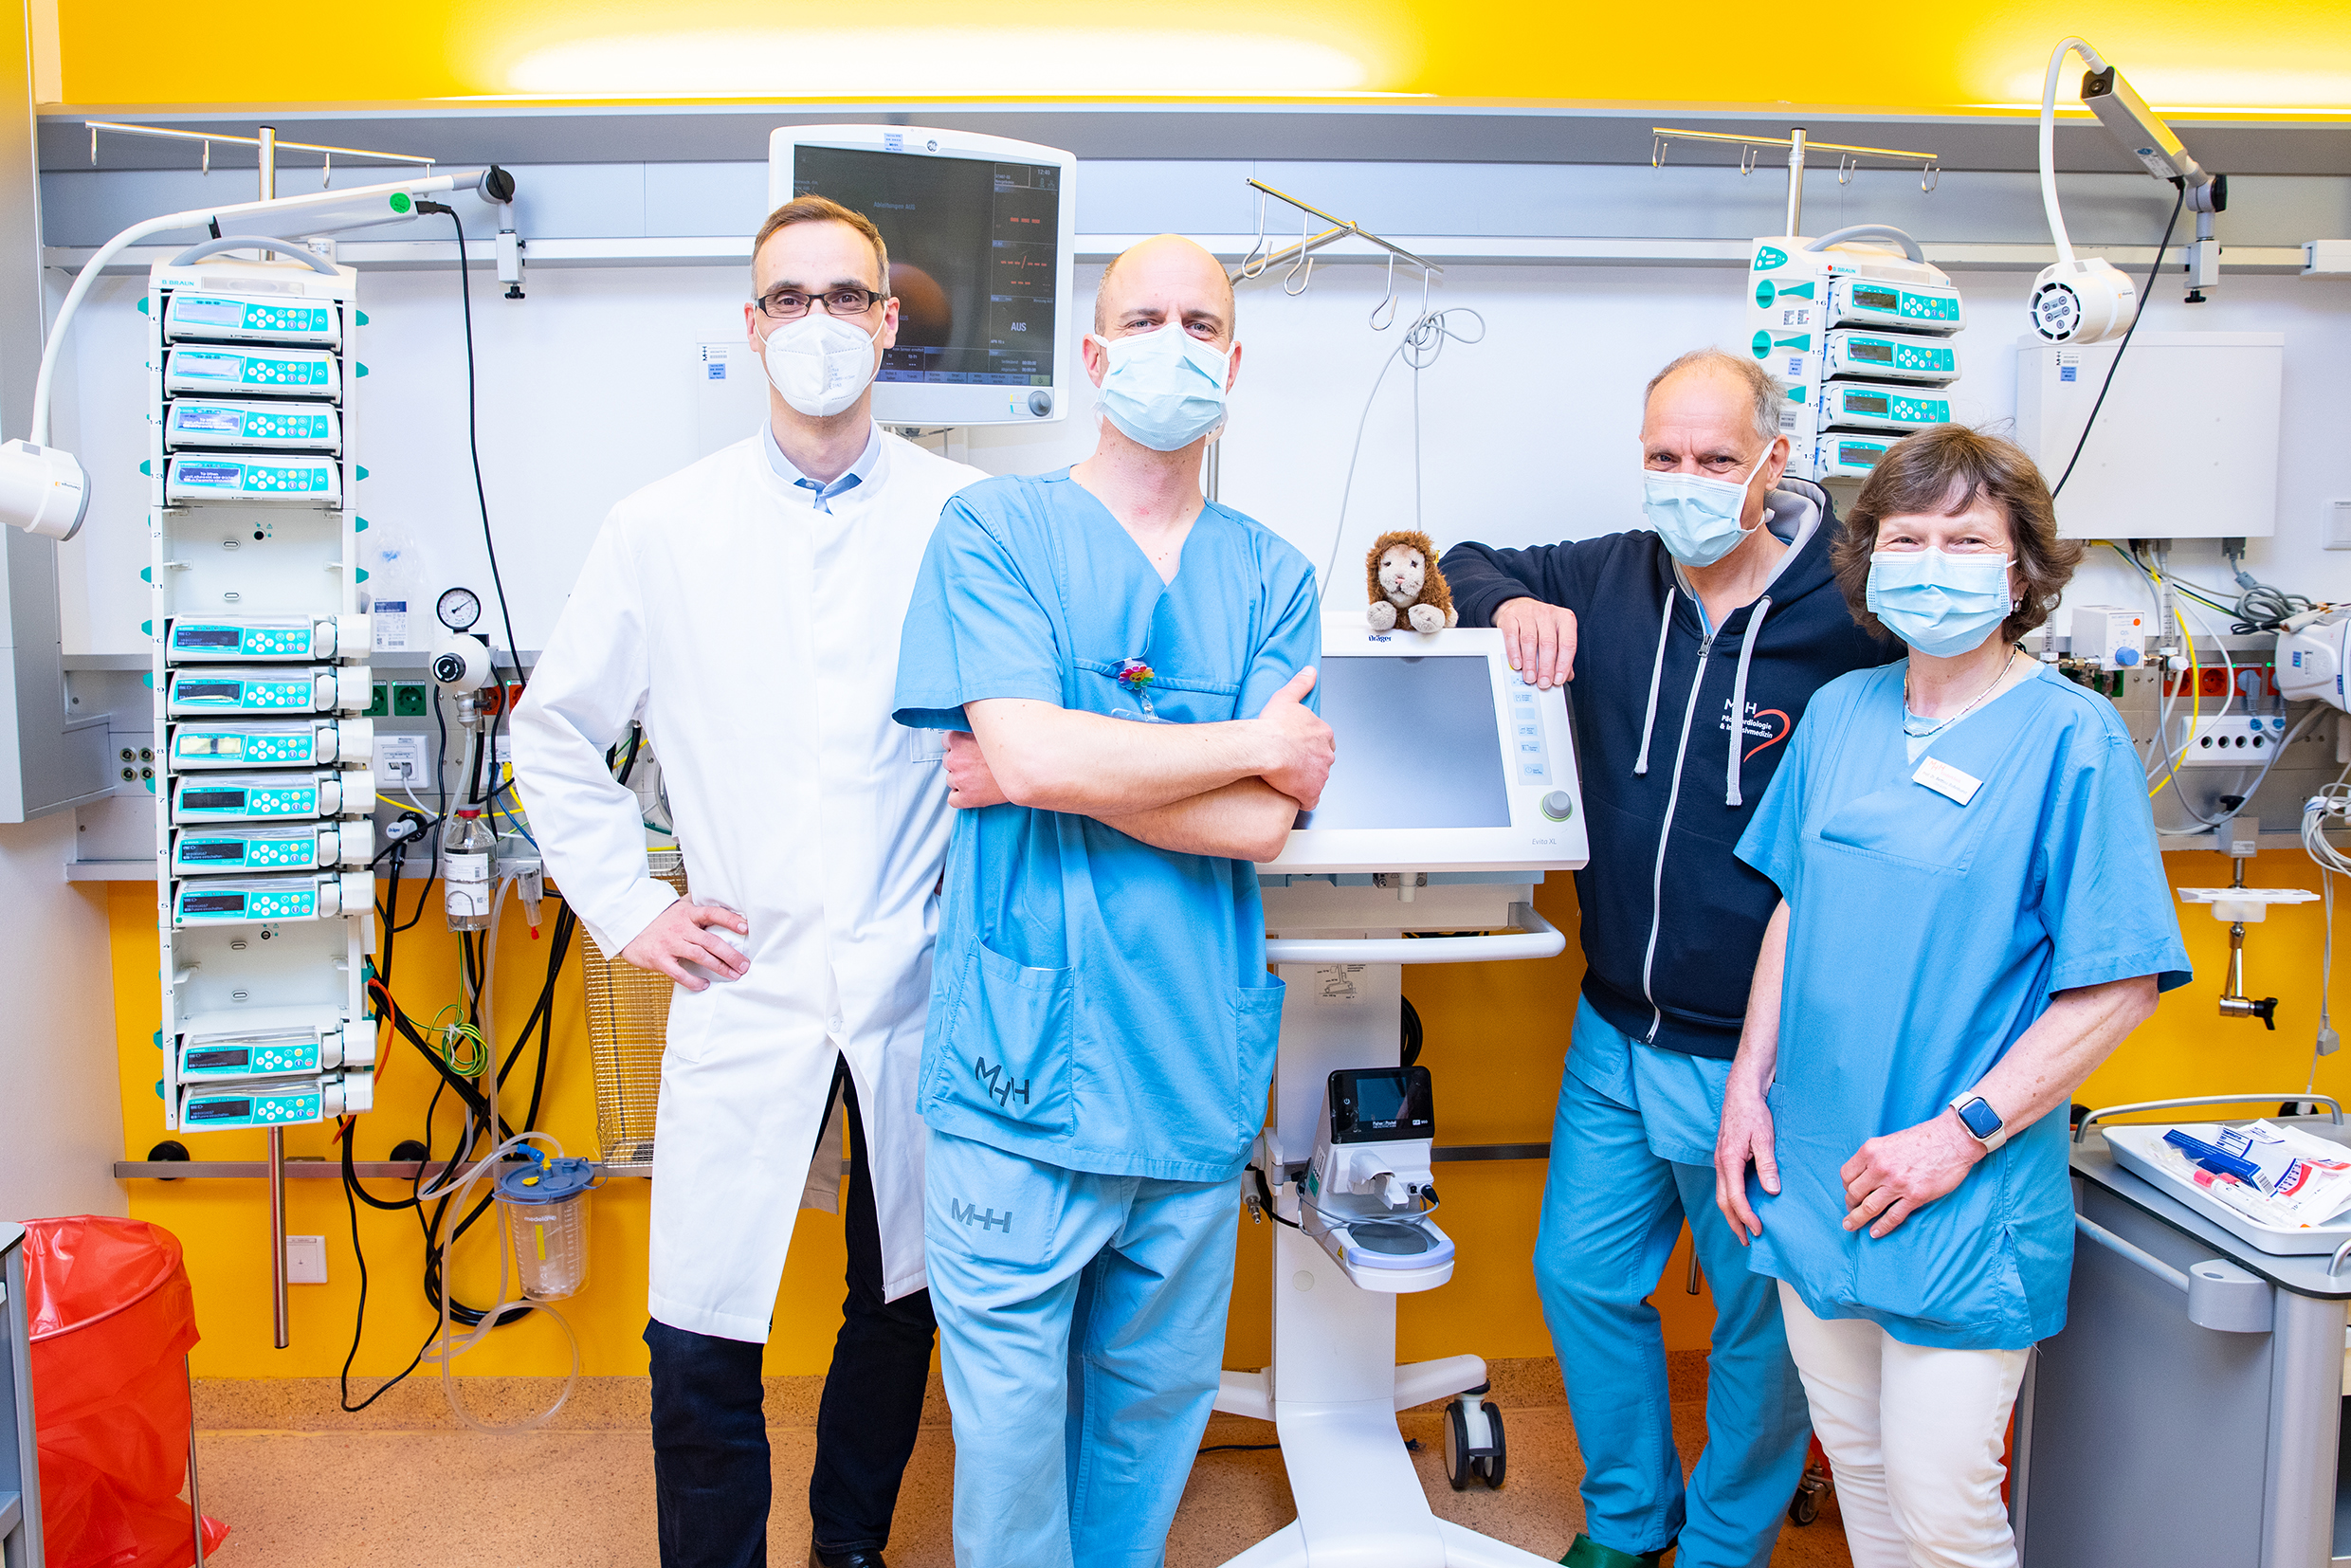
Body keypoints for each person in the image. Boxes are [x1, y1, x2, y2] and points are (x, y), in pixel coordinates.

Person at [511, 195, 986, 1568]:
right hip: (748, 969)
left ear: (889, 325)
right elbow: (551, 729)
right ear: (752, 325)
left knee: (900, 1301)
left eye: (849, 298)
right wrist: (634, 904)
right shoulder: (663, 526)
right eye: (792, 299)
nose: (820, 325)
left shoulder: (970, 519)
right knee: (704, 1325)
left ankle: (849, 1548)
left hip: (912, 969)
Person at [890, 233, 1332, 1568]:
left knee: (1146, 1429)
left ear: (1235, 364)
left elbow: (1263, 823)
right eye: (1144, 317)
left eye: (1202, 322)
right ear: (1093, 355)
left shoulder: (1274, 574)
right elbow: (1029, 754)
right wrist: (1242, 745)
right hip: (1016, 1072)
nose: (1174, 342)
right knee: (1014, 1453)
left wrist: (1051, 765)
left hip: (1188, 1070)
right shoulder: (994, 526)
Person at [1441, 347, 1900, 1568]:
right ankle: (1626, 1519)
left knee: (1759, 1329)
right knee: (1580, 1279)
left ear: (1771, 461)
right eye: (1661, 458)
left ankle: (1722, 1541)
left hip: (1768, 1049)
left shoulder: (1849, 616)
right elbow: (1460, 560)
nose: (1683, 482)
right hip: (1613, 1026)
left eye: (1710, 459)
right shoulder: (1607, 574)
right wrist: (1507, 608)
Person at [1714, 425, 2192, 1568]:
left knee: (1942, 1513)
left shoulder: (2069, 738)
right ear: (1869, 557)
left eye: (1965, 538)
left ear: (2017, 567)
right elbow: (1795, 906)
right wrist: (1745, 1087)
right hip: (1817, 1166)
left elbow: (2119, 983)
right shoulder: (1841, 714)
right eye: (1906, 535)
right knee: (1864, 1479)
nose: (1931, 558)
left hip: (1957, 1188)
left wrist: (1956, 1135)